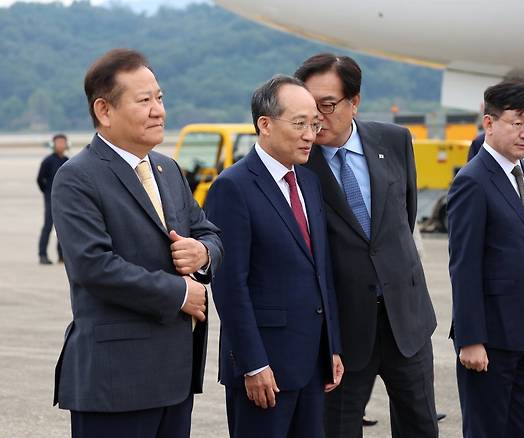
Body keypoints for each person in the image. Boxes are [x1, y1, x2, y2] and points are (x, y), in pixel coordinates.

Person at [51, 48, 223, 438]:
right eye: (144, 101)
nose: (159, 110)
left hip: (175, 376)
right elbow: (94, 267)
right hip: (116, 380)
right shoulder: (78, 177)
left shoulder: (167, 168)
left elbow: (208, 231)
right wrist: (180, 293)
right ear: (104, 111)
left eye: (159, 98)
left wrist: (203, 254)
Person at [295, 53, 438, 438]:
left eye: (327, 105)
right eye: (308, 108)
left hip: (405, 322)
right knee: (338, 428)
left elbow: (401, 221)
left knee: (421, 425)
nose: (316, 119)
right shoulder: (298, 165)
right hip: (341, 331)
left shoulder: (394, 140)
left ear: (354, 102)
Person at [205, 75, 343, 438]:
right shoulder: (232, 187)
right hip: (264, 370)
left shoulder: (309, 182)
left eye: (314, 124)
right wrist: (252, 364)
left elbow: (321, 272)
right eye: (299, 124)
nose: (310, 134)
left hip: (312, 363)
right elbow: (230, 286)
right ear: (264, 125)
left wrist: (333, 347)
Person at [447, 79, 524, 438]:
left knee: (520, 429)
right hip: (491, 339)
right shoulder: (472, 181)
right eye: (518, 123)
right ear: (490, 123)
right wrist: (470, 338)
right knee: (487, 430)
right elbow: (463, 265)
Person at [37, 133, 68, 264]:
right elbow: (40, 179)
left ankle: (62, 256)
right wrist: (47, 192)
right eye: (58, 142)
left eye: (63, 142)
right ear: (53, 144)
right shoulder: (48, 161)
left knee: (63, 227)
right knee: (48, 226)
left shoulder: (67, 160)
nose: (61, 145)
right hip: (50, 198)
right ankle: (42, 255)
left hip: (64, 199)